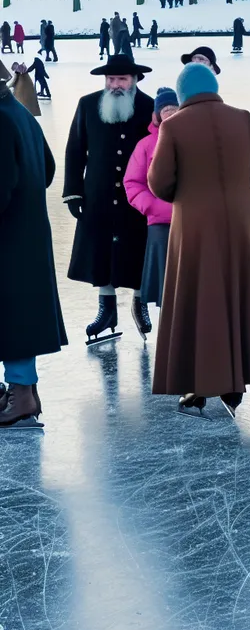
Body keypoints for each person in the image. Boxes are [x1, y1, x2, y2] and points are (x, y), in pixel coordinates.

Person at [147, 64, 250, 414]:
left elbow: (159, 183)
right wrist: (236, 191)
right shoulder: (243, 118)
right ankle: (237, 383)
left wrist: (193, 193)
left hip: (194, 228)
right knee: (239, 296)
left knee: (201, 303)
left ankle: (201, 387)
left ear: (182, 94)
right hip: (241, 225)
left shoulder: (173, 126)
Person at [62, 55, 154, 342]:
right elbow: (75, 149)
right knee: (101, 252)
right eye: (111, 79)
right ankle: (107, 309)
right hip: (98, 193)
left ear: (135, 80)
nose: (115, 85)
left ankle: (140, 304)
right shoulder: (88, 104)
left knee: (137, 248)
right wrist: (73, 191)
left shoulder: (149, 107)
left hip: (137, 194)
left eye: (122, 79)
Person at [0, 71, 66, 427]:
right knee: (15, 315)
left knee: (13, 318)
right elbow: (49, 169)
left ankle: (22, 395)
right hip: (26, 234)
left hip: (9, 238)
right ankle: (21, 391)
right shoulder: (19, 113)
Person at [123, 87, 179, 314]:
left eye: (174, 108)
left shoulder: (196, 139)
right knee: (166, 288)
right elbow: (132, 183)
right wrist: (153, 207)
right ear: (156, 115)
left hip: (195, 222)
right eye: (165, 109)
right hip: (161, 224)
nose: (170, 113)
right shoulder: (145, 145)